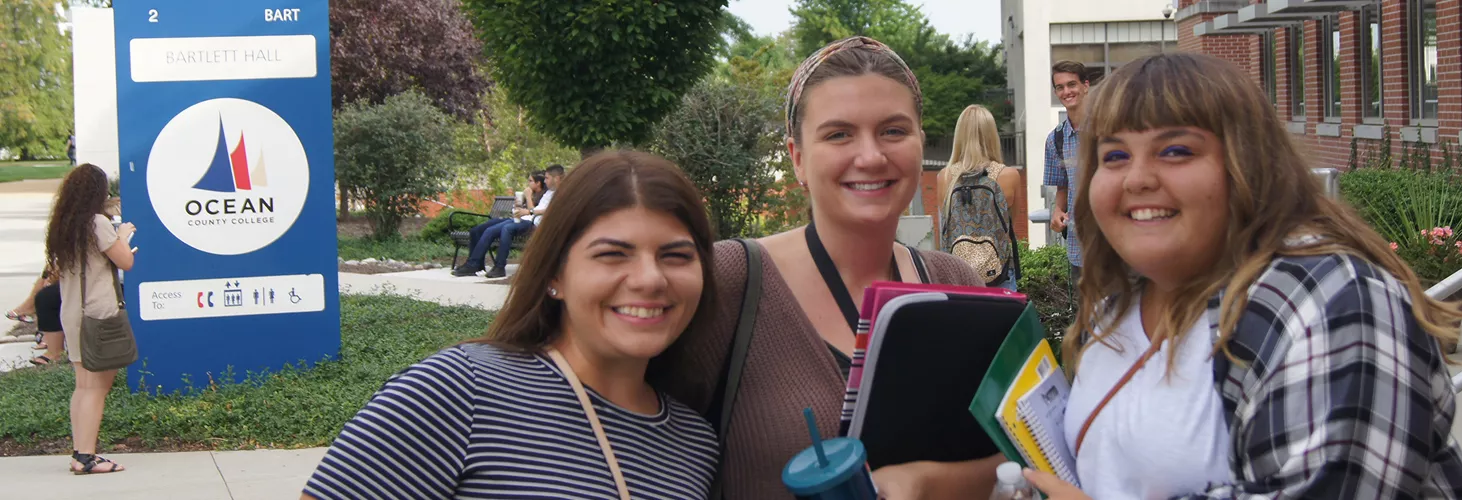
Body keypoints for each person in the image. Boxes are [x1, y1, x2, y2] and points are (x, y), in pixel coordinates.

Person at [1019, 53, 1462, 499]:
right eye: (1114, 156)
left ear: (1248, 165)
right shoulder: (1116, 308)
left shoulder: (1333, 302)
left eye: (1176, 151)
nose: (1137, 179)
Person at [650, 36, 997, 499]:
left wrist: (927, 485)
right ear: (797, 158)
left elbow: (1010, 457)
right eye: (838, 134)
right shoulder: (730, 280)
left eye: (894, 131)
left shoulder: (957, 283)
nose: (871, 156)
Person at [303, 151, 720, 500]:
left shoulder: (694, 445)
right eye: (613, 254)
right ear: (554, 274)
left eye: (676, 255)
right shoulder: (460, 391)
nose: (650, 279)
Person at [47, 163, 136, 475]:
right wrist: (122, 235)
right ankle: (87, 457)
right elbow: (125, 261)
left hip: (73, 312)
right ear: (97, 193)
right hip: (98, 314)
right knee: (97, 387)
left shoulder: (66, 225)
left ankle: (80, 453)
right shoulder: (98, 223)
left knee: (83, 385)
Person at [936, 104, 1024, 290]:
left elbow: (945, 227)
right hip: (998, 274)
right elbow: (1009, 223)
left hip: (957, 276)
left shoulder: (944, 177)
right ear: (992, 134)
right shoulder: (1009, 176)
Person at [454, 165, 563, 278]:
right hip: (527, 219)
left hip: (535, 223)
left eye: (547, 178)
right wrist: (521, 208)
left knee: (506, 228)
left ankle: (499, 267)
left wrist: (529, 211)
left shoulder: (561, 192)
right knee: (489, 230)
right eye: (544, 178)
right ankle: (473, 264)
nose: (545, 181)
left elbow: (552, 210)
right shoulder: (550, 192)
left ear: (557, 178)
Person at [1044, 60, 1092, 280]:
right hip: (1078, 246)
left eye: (1072, 84)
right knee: (1085, 314)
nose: (1066, 91)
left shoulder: (1110, 128)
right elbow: (1063, 185)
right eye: (1060, 87)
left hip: (1116, 244)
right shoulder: (1056, 139)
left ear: (1085, 85)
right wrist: (1057, 210)